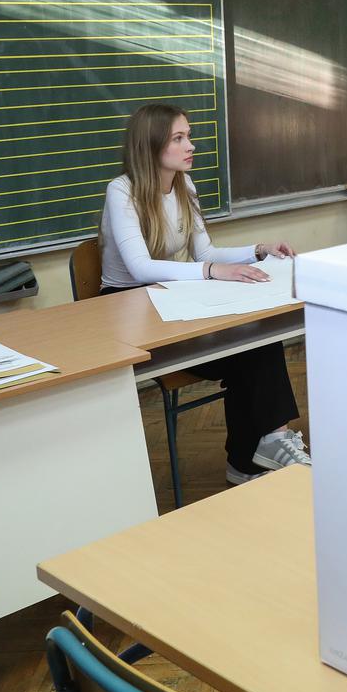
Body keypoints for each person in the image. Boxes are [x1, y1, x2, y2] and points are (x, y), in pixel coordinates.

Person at [99, 102, 309, 484]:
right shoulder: (122, 190)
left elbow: (207, 254)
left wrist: (258, 251)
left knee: (256, 339)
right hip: (125, 306)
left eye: (188, 136)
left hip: (168, 296)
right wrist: (212, 272)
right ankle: (255, 456)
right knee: (247, 350)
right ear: (151, 146)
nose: (190, 145)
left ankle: (260, 451)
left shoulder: (184, 185)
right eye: (179, 138)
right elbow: (140, 268)